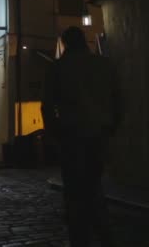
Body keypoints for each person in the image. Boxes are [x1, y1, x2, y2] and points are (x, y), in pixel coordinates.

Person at [41, 26, 122, 247]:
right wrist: (112, 126)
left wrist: (53, 131)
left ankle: (81, 236)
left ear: (65, 43)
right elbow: (118, 98)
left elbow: (47, 104)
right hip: (99, 133)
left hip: (72, 133)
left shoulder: (59, 68)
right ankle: (103, 232)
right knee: (94, 182)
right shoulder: (104, 65)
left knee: (75, 190)